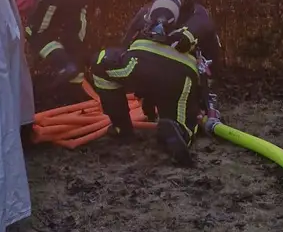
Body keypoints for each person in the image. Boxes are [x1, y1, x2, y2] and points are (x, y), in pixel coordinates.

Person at [90, 27, 214, 167]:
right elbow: (206, 79)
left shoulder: (147, 14)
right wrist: (201, 106)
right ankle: (181, 132)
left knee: (100, 65)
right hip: (181, 76)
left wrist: (146, 96)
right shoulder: (199, 19)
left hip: (141, 61)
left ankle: (121, 129)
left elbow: (126, 43)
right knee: (184, 121)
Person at [120, 0, 223, 105]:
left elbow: (125, 43)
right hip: (181, 79)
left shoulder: (148, 12)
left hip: (145, 74)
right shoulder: (198, 13)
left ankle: (147, 104)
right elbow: (211, 49)